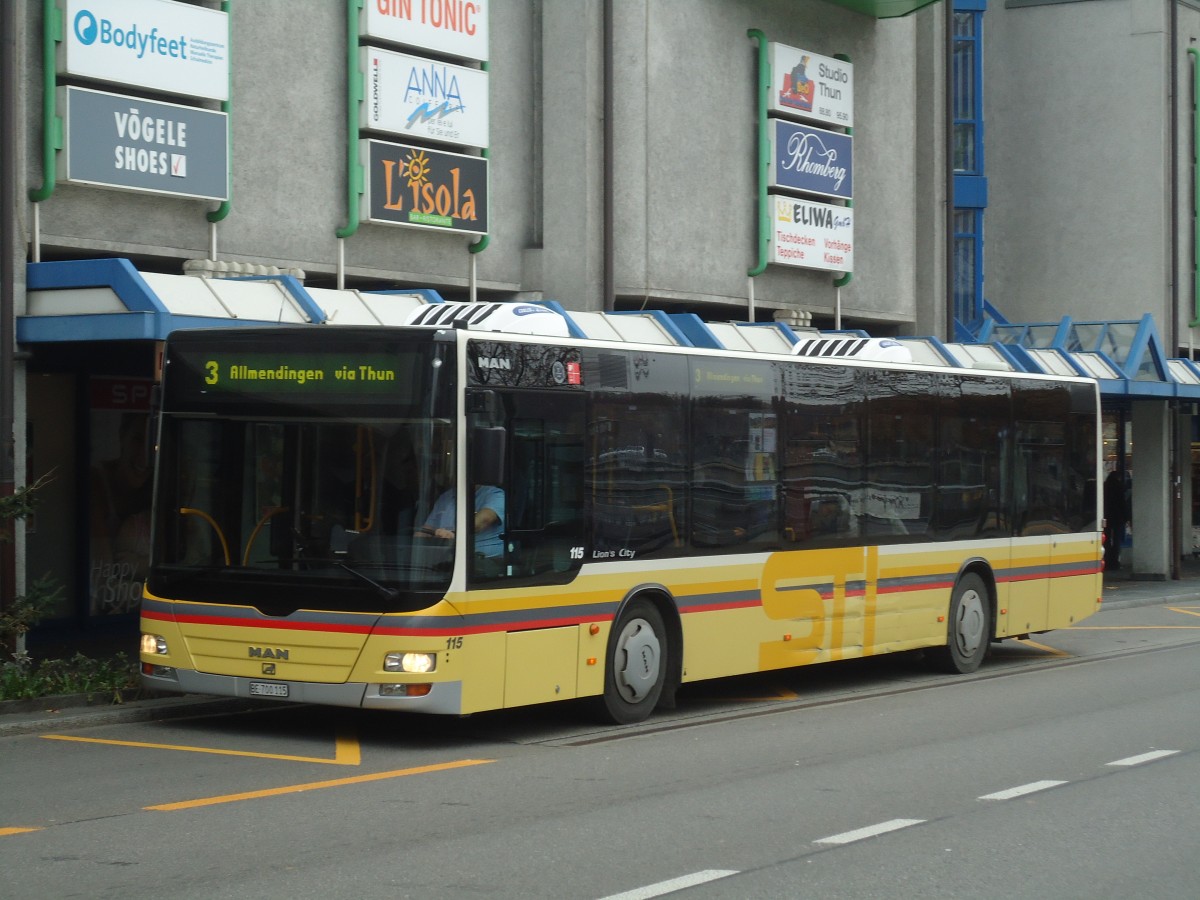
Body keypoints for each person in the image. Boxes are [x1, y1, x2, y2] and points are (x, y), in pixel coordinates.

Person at [417, 484, 506, 558]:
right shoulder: (445, 497)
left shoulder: (495, 494)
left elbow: (484, 520)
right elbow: (427, 529)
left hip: (484, 563)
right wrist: (417, 538)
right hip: (447, 560)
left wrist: (454, 534)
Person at [1103, 470, 1127, 570]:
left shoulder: (1105, 486)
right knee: (1116, 539)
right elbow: (1122, 503)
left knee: (1106, 539)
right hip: (1117, 516)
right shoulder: (1119, 487)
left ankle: (1107, 560)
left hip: (1107, 516)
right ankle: (1115, 562)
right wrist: (1126, 516)